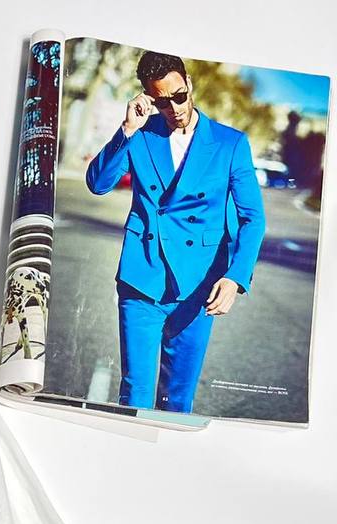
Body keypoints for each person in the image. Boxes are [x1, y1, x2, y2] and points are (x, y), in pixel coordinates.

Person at [85, 50, 266, 413]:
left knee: (177, 399)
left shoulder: (230, 144)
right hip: (142, 278)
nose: (174, 108)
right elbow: (98, 183)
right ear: (149, 98)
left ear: (189, 84)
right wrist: (127, 130)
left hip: (199, 284)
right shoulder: (141, 134)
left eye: (179, 96)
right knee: (135, 395)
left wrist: (235, 277)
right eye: (162, 101)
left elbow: (253, 218)